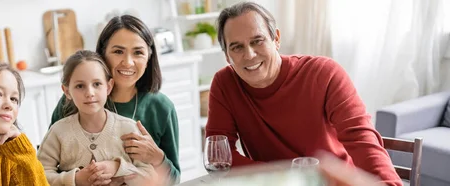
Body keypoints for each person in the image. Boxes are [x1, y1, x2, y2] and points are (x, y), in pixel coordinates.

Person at [204, 2, 402, 186]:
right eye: (237, 47)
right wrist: (280, 177)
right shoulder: (224, 83)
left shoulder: (324, 73)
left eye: (257, 41)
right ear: (227, 56)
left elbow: (361, 139)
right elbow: (219, 157)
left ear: (276, 39)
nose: (249, 54)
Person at [49, 15, 180, 185]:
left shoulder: (162, 108)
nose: (128, 62)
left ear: (149, 57)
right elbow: (47, 169)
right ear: (102, 54)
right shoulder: (76, 100)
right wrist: (82, 175)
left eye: (138, 52)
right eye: (118, 51)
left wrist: (158, 158)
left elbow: (174, 181)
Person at [38, 50, 157, 186]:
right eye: (80, 86)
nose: (89, 93)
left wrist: (118, 168)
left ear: (108, 86)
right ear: (67, 91)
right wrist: (75, 179)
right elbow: (39, 174)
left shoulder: (128, 128)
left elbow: (150, 177)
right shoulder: (58, 132)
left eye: (96, 84)